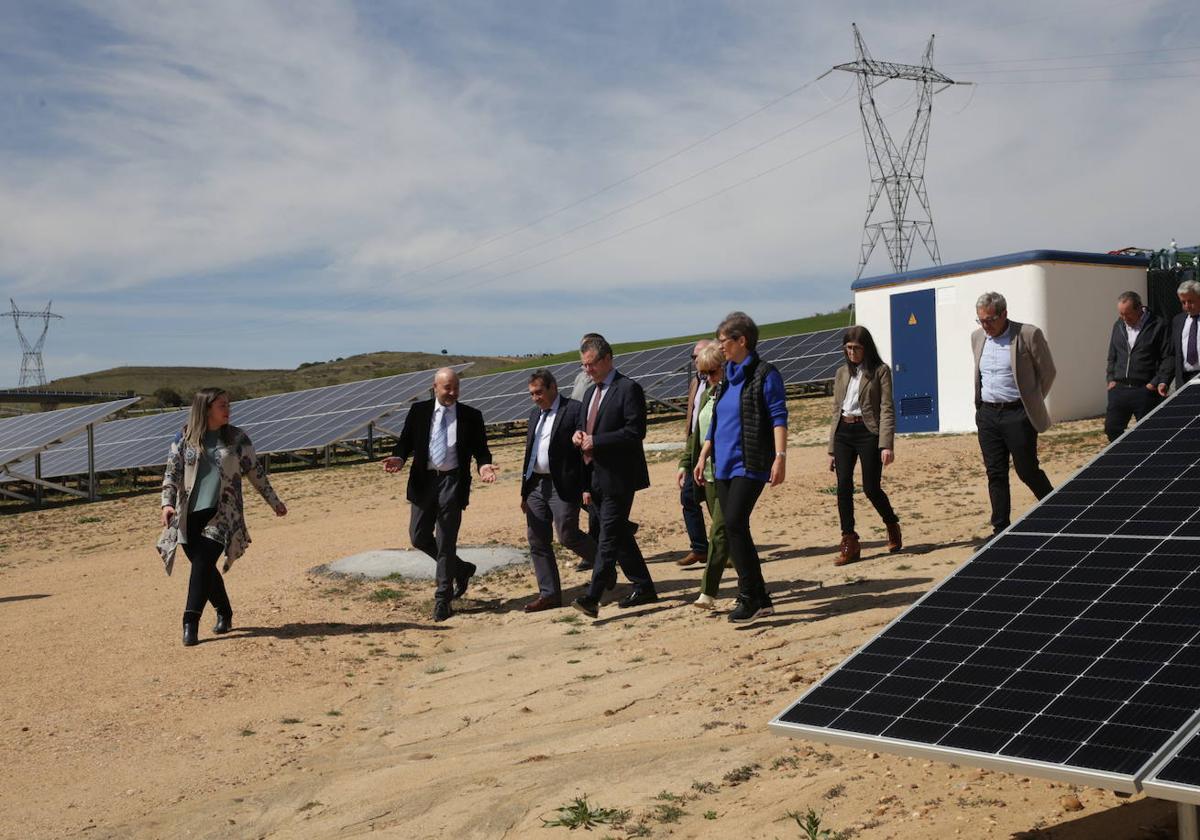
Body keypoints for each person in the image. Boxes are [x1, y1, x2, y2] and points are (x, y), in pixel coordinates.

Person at [159, 387, 287, 647]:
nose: (228, 410)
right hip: (188, 514)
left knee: (202, 564)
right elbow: (171, 473)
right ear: (206, 409)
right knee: (204, 567)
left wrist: (274, 502)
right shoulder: (184, 437)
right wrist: (166, 505)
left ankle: (189, 622)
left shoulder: (237, 438)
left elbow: (256, 473)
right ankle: (224, 611)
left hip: (223, 513)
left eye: (228, 405)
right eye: (222, 406)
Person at [383, 367, 497, 622]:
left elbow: (482, 450)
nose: (453, 392)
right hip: (424, 482)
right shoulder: (419, 412)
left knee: (446, 542)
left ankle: (442, 599)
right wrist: (399, 458)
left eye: (456, 387)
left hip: (452, 482)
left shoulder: (471, 416)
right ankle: (462, 568)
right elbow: (405, 442)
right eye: (447, 388)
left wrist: (484, 465)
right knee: (418, 536)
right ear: (435, 387)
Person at [694, 312, 787, 624]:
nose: (721, 348)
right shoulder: (727, 376)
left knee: (733, 523)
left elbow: (778, 416)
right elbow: (717, 420)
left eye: (724, 342)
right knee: (736, 529)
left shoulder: (764, 374)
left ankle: (748, 594)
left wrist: (780, 456)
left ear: (741, 341)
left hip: (751, 462)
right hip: (724, 464)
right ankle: (760, 598)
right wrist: (703, 454)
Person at [570, 334, 657, 618]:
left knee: (607, 537)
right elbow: (585, 426)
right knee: (618, 534)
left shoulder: (628, 389)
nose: (587, 370)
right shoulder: (589, 393)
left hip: (619, 476)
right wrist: (579, 434)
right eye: (584, 365)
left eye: (591, 364)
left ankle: (592, 597)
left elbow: (635, 432)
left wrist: (597, 441)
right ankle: (643, 586)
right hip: (595, 475)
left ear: (607, 359)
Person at [971, 292, 1056, 535]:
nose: (986, 325)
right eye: (981, 320)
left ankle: (1054, 507)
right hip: (988, 414)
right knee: (995, 472)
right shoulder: (977, 337)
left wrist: (1032, 401)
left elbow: (1048, 372)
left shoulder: (1028, 334)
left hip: (1017, 414)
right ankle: (1000, 529)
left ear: (1004, 314)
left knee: (1026, 469)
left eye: (990, 320)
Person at [519, 369, 596, 611]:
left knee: (567, 534)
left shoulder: (573, 409)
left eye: (539, 392)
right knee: (537, 539)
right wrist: (524, 492)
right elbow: (530, 453)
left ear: (553, 387)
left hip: (562, 484)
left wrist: (586, 486)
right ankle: (549, 594)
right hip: (536, 485)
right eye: (532, 394)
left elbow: (584, 444)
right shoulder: (534, 415)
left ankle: (603, 563)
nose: (535, 398)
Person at [827, 326, 901, 566]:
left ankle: (891, 523)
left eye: (856, 348)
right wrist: (831, 449)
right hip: (843, 433)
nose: (851, 353)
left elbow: (887, 408)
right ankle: (849, 540)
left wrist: (886, 444)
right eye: (847, 348)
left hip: (868, 432)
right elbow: (836, 410)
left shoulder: (880, 371)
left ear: (866, 348)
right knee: (843, 486)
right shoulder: (840, 373)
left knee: (871, 487)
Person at [678, 343, 732, 609]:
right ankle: (752, 585)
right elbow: (695, 434)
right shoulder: (709, 393)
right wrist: (686, 463)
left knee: (719, 532)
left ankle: (707, 592)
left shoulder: (733, 393)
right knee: (734, 533)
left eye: (712, 372)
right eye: (703, 373)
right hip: (708, 473)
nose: (707, 378)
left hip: (731, 472)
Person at [1104, 290, 1172, 442]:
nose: (1124, 318)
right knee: (1111, 429)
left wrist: (1154, 383)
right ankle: (1125, 459)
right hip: (1119, 389)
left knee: (1148, 434)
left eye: (1127, 314)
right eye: (1121, 314)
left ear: (1140, 308)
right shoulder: (1119, 325)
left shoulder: (1158, 325)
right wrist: (1111, 379)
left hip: (1144, 390)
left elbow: (1167, 358)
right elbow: (1112, 354)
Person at [676, 339, 714, 567]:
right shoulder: (695, 383)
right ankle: (700, 548)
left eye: (697, 357)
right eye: (692, 357)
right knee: (688, 498)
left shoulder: (718, 383)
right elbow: (692, 425)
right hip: (694, 451)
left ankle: (727, 550)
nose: (694, 361)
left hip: (714, 453)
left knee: (715, 504)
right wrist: (684, 461)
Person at [1167, 279, 1200, 392]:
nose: (1187, 306)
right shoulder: (1178, 321)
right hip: (1184, 381)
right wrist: (1164, 380)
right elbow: (1173, 353)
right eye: (1183, 302)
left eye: (1190, 301)